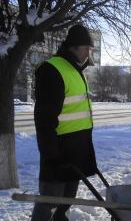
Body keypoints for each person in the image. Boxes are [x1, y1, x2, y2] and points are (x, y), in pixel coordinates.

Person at [31, 24, 98, 221]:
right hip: (58, 155)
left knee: (64, 207)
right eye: (85, 48)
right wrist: (53, 155)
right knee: (49, 205)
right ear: (73, 47)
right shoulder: (53, 70)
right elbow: (44, 120)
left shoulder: (76, 70)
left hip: (74, 153)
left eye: (90, 49)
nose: (88, 53)